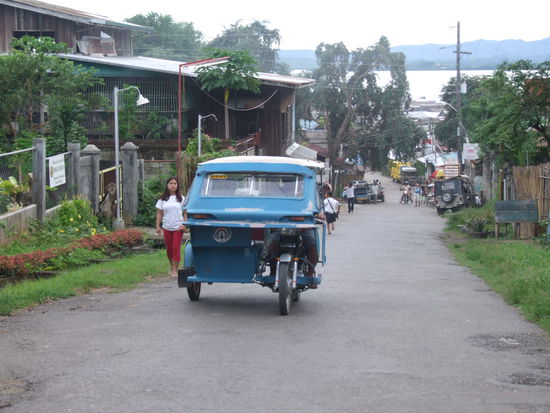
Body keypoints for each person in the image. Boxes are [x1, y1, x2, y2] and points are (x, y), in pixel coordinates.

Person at [155, 177, 186, 278]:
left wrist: (184, 224)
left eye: (175, 183)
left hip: (178, 227)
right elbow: (159, 213)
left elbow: (185, 213)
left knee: (176, 248)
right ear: (167, 185)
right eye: (170, 183)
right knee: (169, 249)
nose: (172, 185)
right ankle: (172, 266)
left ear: (177, 186)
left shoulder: (181, 198)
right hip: (167, 227)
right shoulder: (162, 199)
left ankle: (175, 270)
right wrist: (157, 226)